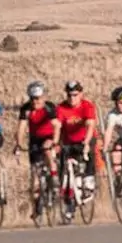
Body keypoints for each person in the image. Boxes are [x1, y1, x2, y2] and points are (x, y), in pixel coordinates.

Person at [14, 80, 60, 219]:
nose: (35, 102)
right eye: (33, 99)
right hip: (35, 139)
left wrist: (55, 141)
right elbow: (21, 128)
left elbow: (56, 125)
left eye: (38, 98)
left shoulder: (49, 107)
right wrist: (19, 143)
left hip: (49, 136)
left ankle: (54, 175)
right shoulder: (26, 109)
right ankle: (36, 209)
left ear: (43, 97)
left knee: (46, 149)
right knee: (34, 177)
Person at [54, 80, 98, 208]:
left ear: (81, 94)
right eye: (69, 95)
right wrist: (55, 143)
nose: (72, 98)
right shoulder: (61, 108)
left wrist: (87, 142)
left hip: (85, 139)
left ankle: (89, 180)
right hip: (68, 141)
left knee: (89, 153)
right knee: (62, 162)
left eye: (75, 95)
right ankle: (65, 191)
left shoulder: (87, 106)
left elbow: (90, 125)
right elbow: (57, 126)